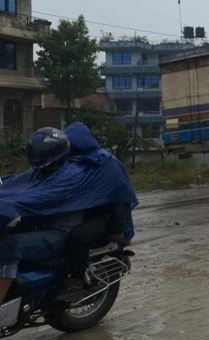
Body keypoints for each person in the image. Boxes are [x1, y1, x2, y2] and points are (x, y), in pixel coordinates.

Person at [0, 123, 137, 304]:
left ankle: (75, 281)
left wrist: (120, 233)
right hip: (41, 226)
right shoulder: (44, 171)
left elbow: (118, 196)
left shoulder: (79, 171)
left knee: (9, 247)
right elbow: (19, 185)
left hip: (63, 231)